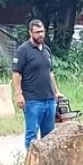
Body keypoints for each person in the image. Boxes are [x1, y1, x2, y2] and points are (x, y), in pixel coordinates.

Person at [12, 19, 64, 149]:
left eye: (42, 32)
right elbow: (16, 74)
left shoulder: (46, 50)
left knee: (49, 135)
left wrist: (56, 92)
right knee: (32, 135)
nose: (40, 35)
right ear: (30, 32)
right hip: (33, 100)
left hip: (49, 100)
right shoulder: (22, 51)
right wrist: (19, 94)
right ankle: (31, 164)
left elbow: (50, 72)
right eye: (37, 32)